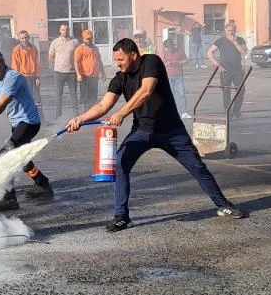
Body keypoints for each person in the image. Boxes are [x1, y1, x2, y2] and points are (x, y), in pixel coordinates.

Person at [65, 38, 245, 232]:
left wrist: (121, 113)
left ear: (133, 55)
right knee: (120, 164)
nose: (117, 63)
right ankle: (122, 217)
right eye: (115, 60)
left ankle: (223, 205)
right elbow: (102, 105)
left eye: (120, 59)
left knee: (197, 167)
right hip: (142, 131)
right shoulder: (119, 78)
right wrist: (80, 119)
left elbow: (146, 91)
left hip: (172, 132)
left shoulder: (151, 62)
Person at [0, 49, 54, 212]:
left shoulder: (13, 77)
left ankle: (9, 199)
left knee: (7, 153)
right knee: (21, 157)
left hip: (29, 122)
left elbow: (2, 104)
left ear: (2, 64)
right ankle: (43, 185)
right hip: (17, 123)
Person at [207, 23, 248, 119]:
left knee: (241, 91)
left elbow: (244, 52)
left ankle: (237, 111)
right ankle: (227, 112)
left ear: (235, 30)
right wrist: (217, 65)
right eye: (229, 30)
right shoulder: (220, 41)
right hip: (225, 70)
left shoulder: (240, 40)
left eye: (232, 30)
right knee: (226, 92)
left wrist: (235, 42)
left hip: (237, 70)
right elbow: (209, 52)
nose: (231, 32)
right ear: (225, 30)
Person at [11, 30, 49, 124]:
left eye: (26, 37)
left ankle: (41, 119)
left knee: (37, 99)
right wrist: (18, 79)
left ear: (29, 37)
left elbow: (37, 63)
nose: (24, 39)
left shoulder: (34, 48)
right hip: (23, 77)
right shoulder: (17, 50)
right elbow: (15, 66)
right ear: (19, 39)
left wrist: (37, 77)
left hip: (33, 77)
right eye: (22, 38)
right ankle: (25, 119)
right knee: (24, 99)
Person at [48, 23, 79, 120]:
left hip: (71, 72)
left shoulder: (75, 42)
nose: (65, 31)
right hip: (58, 72)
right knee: (58, 94)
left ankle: (76, 114)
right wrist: (58, 63)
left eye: (67, 29)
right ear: (60, 31)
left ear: (69, 30)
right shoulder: (55, 42)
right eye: (63, 30)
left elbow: (78, 56)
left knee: (73, 93)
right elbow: (50, 56)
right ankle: (58, 115)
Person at [74, 29, 106, 112]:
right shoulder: (79, 49)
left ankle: (92, 112)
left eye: (90, 38)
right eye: (87, 39)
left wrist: (103, 73)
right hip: (84, 75)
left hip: (94, 76)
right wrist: (78, 74)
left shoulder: (95, 48)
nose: (89, 40)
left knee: (93, 96)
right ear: (83, 39)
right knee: (85, 97)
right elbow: (76, 62)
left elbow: (99, 61)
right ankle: (86, 113)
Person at [162, 39, 191, 119]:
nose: (168, 49)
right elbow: (162, 63)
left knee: (182, 94)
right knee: (171, 95)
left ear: (172, 45)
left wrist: (177, 62)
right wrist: (166, 63)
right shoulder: (165, 52)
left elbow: (186, 61)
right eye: (167, 47)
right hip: (169, 76)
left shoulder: (179, 51)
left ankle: (184, 112)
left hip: (178, 76)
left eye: (169, 47)